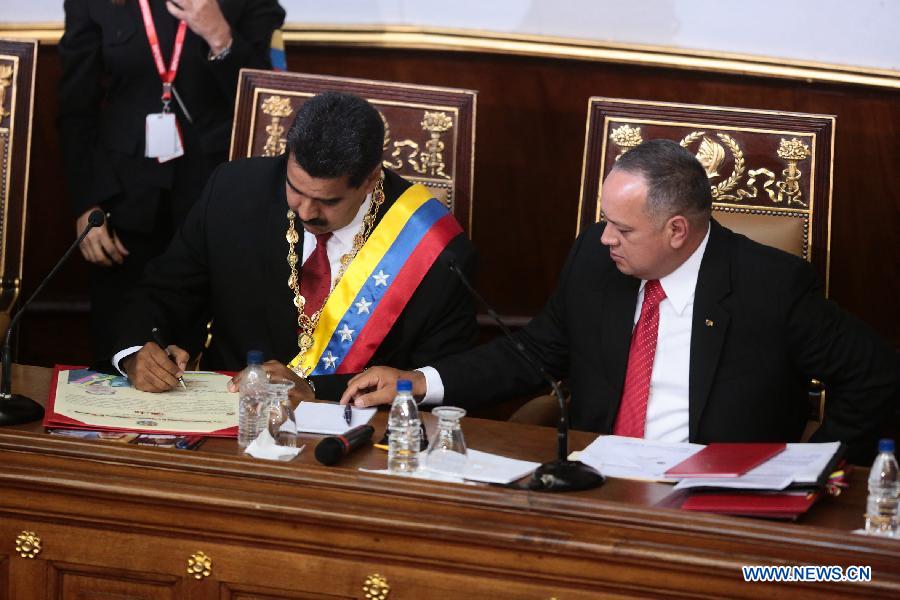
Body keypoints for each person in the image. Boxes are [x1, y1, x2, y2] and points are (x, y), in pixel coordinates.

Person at [342, 139, 899, 463]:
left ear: (677, 230)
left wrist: (813, 465)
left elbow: (876, 377)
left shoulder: (768, 285)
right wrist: (416, 381)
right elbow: (531, 353)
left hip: (711, 497)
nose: (605, 237)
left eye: (622, 228)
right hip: (595, 480)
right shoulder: (595, 259)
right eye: (605, 220)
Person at [111, 91, 478, 403]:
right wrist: (134, 355)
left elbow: (439, 378)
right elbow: (162, 292)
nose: (304, 210)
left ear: (369, 180)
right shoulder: (232, 192)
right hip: (230, 417)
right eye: (295, 188)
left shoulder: (434, 249)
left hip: (356, 441)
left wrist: (318, 391)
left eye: (327, 202)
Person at [58, 0, 286, 362]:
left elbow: (273, 102)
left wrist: (219, 35)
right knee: (120, 346)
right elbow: (75, 107)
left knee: (204, 348)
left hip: (217, 199)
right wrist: (88, 203)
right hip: (120, 202)